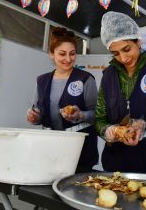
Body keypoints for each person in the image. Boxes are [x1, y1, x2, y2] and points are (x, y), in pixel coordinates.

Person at [95, 11, 146, 174]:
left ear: (138, 41)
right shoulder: (108, 76)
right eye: (116, 53)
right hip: (114, 162)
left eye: (127, 49)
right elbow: (99, 119)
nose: (123, 58)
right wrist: (108, 131)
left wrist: (145, 124)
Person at [27, 27, 98, 173]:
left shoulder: (85, 79)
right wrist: (34, 117)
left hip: (80, 150)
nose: (68, 59)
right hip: (51, 148)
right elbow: (38, 112)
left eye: (72, 54)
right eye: (62, 54)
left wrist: (81, 116)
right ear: (51, 54)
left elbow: (98, 115)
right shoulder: (42, 81)